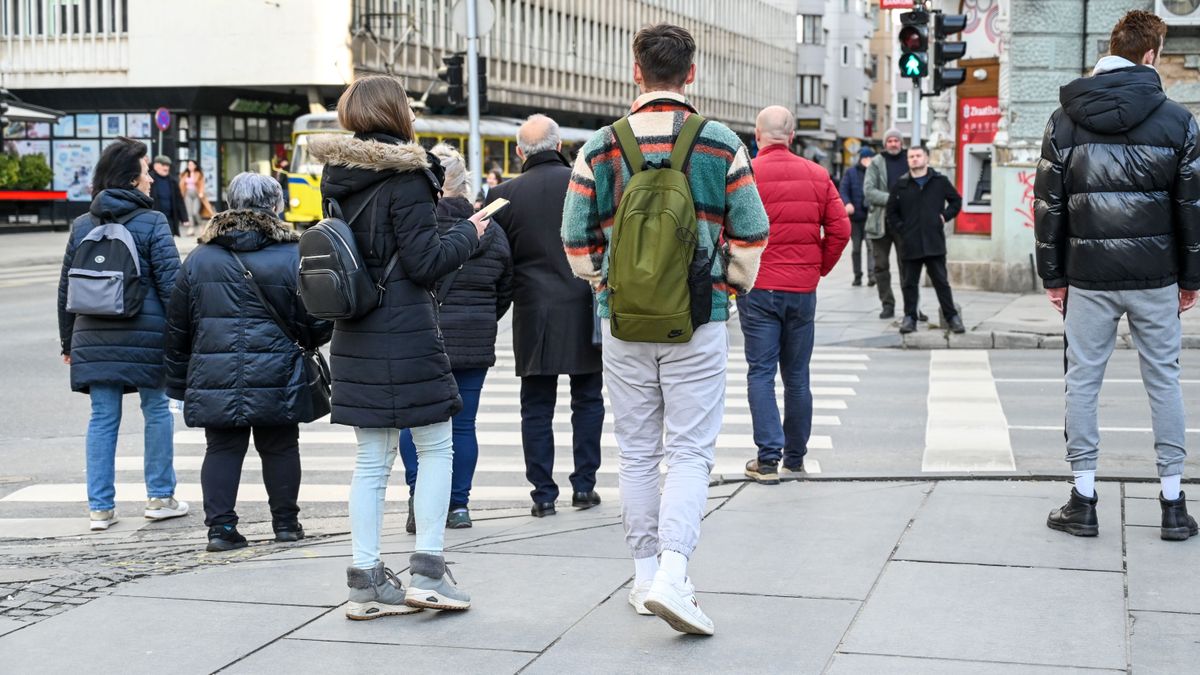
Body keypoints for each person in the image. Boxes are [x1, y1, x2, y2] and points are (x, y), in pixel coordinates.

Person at [562, 24, 769, 636]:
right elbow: (753, 234)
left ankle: (643, 573)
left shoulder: (600, 147)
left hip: (624, 325)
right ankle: (675, 575)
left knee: (638, 451)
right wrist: (724, 290)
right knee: (688, 451)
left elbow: (576, 243)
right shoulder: (719, 143)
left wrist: (608, 287)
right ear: (691, 74)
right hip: (698, 321)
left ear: (636, 72)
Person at [309, 75, 488, 619]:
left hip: (356, 328)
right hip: (406, 330)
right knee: (436, 447)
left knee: (371, 460)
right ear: (397, 113)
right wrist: (471, 233)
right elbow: (425, 260)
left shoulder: (335, 176)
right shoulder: (408, 176)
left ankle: (365, 580)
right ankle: (429, 571)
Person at [1034, 9, 1200, 541]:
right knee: (1164, 382)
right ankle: (1173, 505)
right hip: (1157, 276)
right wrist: (1191, 278)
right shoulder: (1178, 120)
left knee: (1082, 381)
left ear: (1111, 48)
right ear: (1150, 55)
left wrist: (1053, 274)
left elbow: (1049, 206)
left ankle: (1083, 498)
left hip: (1088, 275)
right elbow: (1191, 207)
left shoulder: (1065, 118)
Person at [164, 173, 333, 552]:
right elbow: (318, 320)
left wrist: (178, 383)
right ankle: (286, 524)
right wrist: (305, 342)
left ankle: (221, 530)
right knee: (281, 446)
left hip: (215, 373)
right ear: (274, 205)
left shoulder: (200, 259)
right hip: (279, 371)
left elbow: (177, 328)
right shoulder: (294, 255)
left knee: (222, 448)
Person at [56, 137, 188, 531]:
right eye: (146, 172)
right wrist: (185, 336)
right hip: (147, 335)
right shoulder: (151, 222)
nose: (150, 179)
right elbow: (172, 285)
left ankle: (100, 508)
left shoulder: (82, 224)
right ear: (132, 180)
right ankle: (160, 498)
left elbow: (66, 288)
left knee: (102, 418)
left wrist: (68, 342)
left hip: (92, 334)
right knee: (156, 412)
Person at [488, 114, 604, 518]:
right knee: (587, 401)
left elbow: (495, 263)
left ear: (520, 152)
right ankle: (585, 487)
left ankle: (543, 494)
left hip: (533, 313)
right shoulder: (585, 186)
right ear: (558, 146)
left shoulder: (502, 196)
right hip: (583, 306)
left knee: (535, 406)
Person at [399, 143, 513, 531]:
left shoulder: (414, 224)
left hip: (419, 337)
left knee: (414, 423)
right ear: (465, 183)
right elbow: (505, 285)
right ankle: (458, 505)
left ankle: (419, 499)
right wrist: (483, 319)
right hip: (474, 339)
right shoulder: (489, 228)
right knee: (463, 426)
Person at [742, 106, 850, 485]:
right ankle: (795, 458)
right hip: (801, 292)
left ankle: (767, 460)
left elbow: (726, 228)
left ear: (757, 135)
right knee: (798, 376)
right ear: (791, 136)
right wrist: (818, 267)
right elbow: (841, 229)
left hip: (758, 288)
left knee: (761, 372)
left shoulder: (746, 175)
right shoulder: (817, 175)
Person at [886, 145, 964, 335]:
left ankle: (952, 317)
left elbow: (956, 201)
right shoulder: (901, 184)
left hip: (933, 242)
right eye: (911, 156)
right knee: (909, 283)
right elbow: (891, 212)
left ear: (926, 158)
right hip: (910, 243)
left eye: (918, 156)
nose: (914, 159)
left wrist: (944, 217)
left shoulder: (939, 181)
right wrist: (902, 229)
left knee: (941, 282)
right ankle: (910, 318)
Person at [864, 128, 923, 321]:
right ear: (885, 144)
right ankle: (887, 304)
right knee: (880, 266)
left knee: (908, 267)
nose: (893, 144)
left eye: (896, 140)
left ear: (901, 143)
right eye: (889, 141)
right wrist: (894, 199)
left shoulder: (910, 161)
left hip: (905, 223)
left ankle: (912, 307)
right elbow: (869, 191)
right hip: (879, 224)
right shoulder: (876, 163)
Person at [839, 147, 875, 286]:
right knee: (856, 248)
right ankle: (857, 276)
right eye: (864, 158)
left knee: (871, 248)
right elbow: (843, 189)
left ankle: (872, 276)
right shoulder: (850, 172)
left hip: (871, 217)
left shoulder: (874, 172)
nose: (867, 161)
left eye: (869, 158)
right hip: (855, 219)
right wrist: (847, 203)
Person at [149, 154, 187, 237]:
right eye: (163, 165)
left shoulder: (172, 181)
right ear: (156, 165)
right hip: (154, 218)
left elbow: (179, 200)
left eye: (167, 165)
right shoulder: (149, 179)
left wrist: (184, 218)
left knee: (169, 240)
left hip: (170, 219)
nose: (166, 168)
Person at [178, 159, 212, 237]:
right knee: (189, 213)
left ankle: (201, 225)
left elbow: (202, 184)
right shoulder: (185, 174)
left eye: (191, 164)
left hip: (196, 195)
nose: (189, 166)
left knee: (195, 212)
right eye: (188, 165)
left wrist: (201, 193)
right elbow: (181, 183)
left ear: (195, 166)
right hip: (187, 194)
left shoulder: (199, 174)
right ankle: (191, 228)